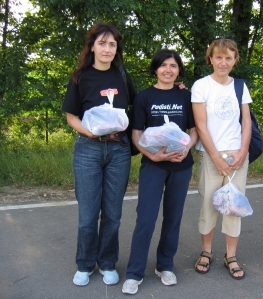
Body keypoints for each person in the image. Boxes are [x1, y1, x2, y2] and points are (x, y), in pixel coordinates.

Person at [62, 21, 136, 286]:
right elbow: (72, 117)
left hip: (118, 150)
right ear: (92, 46)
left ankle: (107, 262)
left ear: (117, 50)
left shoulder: (123, 77)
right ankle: (84, 264)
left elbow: (139, 107)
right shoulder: (80, 77)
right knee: (88, 214)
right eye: (102, 43)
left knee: (113, 214)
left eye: (112, 44)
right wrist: (91, 133)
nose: (107, 49)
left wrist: (177, 91)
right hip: (88, 149)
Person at [121, 49, 198, 295]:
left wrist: (187, 148)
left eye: (173, 66)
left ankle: (165, 265)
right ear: (155, 69)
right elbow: (135, 134)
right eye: (163, 65)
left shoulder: (187, 96)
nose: (168, 70)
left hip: (181, 165)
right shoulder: (144, 97)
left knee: (173, 218)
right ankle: (135, 272)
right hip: (153, 165)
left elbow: (195, 129)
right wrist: (152, 155)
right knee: (146, 218)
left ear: (178, 71)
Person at [191, 38, 252, 280]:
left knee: (233, 206)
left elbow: (246, 121)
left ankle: (231, 255)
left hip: (237, 155)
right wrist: (216, 158)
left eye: (228, 57)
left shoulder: (240, 86)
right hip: (210, 155)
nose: (223, 62)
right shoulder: (201, 86)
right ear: (211, 59)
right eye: (219, 57)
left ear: (235, 60)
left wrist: (243, 151)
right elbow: (201, 125)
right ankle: (206, 252)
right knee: (209, 204)